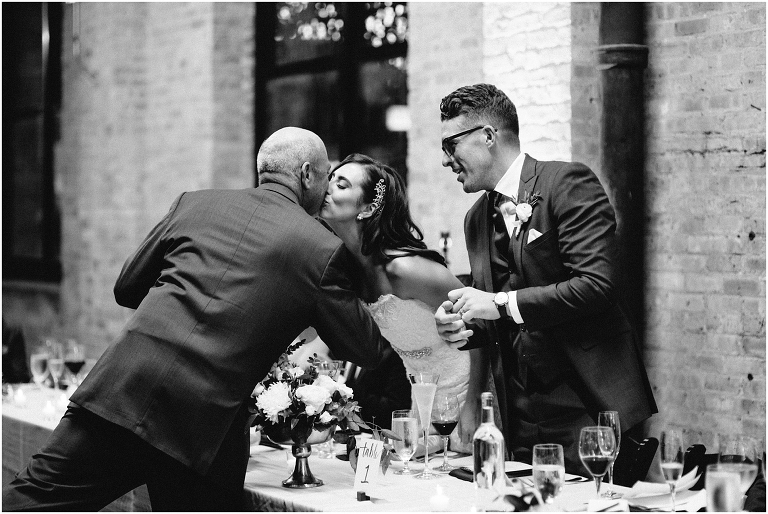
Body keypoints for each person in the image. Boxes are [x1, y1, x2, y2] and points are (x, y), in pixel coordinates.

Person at [2, 127, 388, 511]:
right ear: (306, 174)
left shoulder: (194, 203)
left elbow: (127, 288)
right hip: (203, 429)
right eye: (325, 175)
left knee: (30, 502)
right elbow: (365, 349)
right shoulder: (320, 249)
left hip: (123, 391)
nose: (326, 187)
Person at [433, 83, 657, 474]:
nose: (445, 160)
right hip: (519, 418)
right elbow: (498, 318)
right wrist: (461, 328)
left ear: (488, 136)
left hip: (589, 408)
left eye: (450, 145)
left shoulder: (567, 184)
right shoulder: (475, 220)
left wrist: (499, 303)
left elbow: (596, 285)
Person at [320, 153, 485, 453]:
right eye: (329, 179)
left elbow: (481, 324)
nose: (327, 187)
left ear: (368, 208)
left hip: (465, 394)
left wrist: (473, 403)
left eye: (341, 185)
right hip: (421, 402)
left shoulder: (406, 269)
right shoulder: (351, 272)